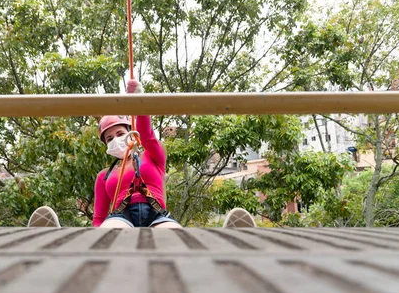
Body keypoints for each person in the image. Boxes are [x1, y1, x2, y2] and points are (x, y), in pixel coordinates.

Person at [28, 79, 256, 228]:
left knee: (174, 238)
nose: (115, 140)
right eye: (109, 138)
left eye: (119, 133)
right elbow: (98, 217)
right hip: (121, 217)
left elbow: (148, 136)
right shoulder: (104, 177)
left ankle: (232, 241)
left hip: (157, 216)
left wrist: (140, 102)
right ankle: (52, 240)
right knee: (111, 233)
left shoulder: (153, 157)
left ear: (130, 132)